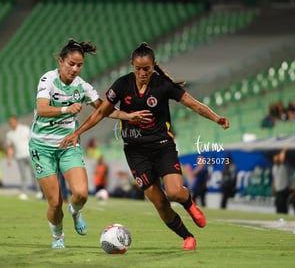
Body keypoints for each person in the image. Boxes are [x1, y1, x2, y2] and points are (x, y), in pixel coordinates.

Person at [60, 42, 230, 251]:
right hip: (135, 152)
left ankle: (189, 204)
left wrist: (216, 118)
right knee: (160, 203)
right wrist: (77, 132)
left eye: (146, 69)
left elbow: (194, 104)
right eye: (138, 69)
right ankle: (187, 237)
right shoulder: (122, 85)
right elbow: (100, 113)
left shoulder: (163, 85)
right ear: (132, 66)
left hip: (162, 147)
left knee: (175, 193)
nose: (142, 73)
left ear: (153, 66)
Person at [28, 39, 145, 249]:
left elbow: (104, 110)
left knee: (81, 194)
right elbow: (43, 108)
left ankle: (75, 211)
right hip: (42, 147)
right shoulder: (48, 79)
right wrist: (66, 109)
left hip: (68, 145)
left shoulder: (82, 87)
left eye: (79, 65)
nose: (74, 69)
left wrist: (128, 116)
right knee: (55, 202)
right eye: (71, 63)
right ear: (61, 60)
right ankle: (58, 237)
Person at [7, 115, 43, 200]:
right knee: (23, 175)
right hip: (19, 156)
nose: (12, 124)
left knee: (34, 173)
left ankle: (39, 191)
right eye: (10, 123)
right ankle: (24, 192)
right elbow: (10, 147)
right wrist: (9, 159)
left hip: (29, 154)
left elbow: (33, 140)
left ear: (16, 121)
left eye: (13, 122)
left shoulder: (25, 129)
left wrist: (36, 152)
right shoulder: (9, 134)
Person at [271, 147, 291, 214]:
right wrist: (273, 188)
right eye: (274, 158)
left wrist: (283, 151)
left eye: (277, 158)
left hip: (283, 189)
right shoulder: (274, 167)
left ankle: (284, 215)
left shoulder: (282, 167)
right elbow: (274, 179)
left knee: (283, 205)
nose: (275, 159)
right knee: (278, 205)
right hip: (278, 189)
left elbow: (282, 159)